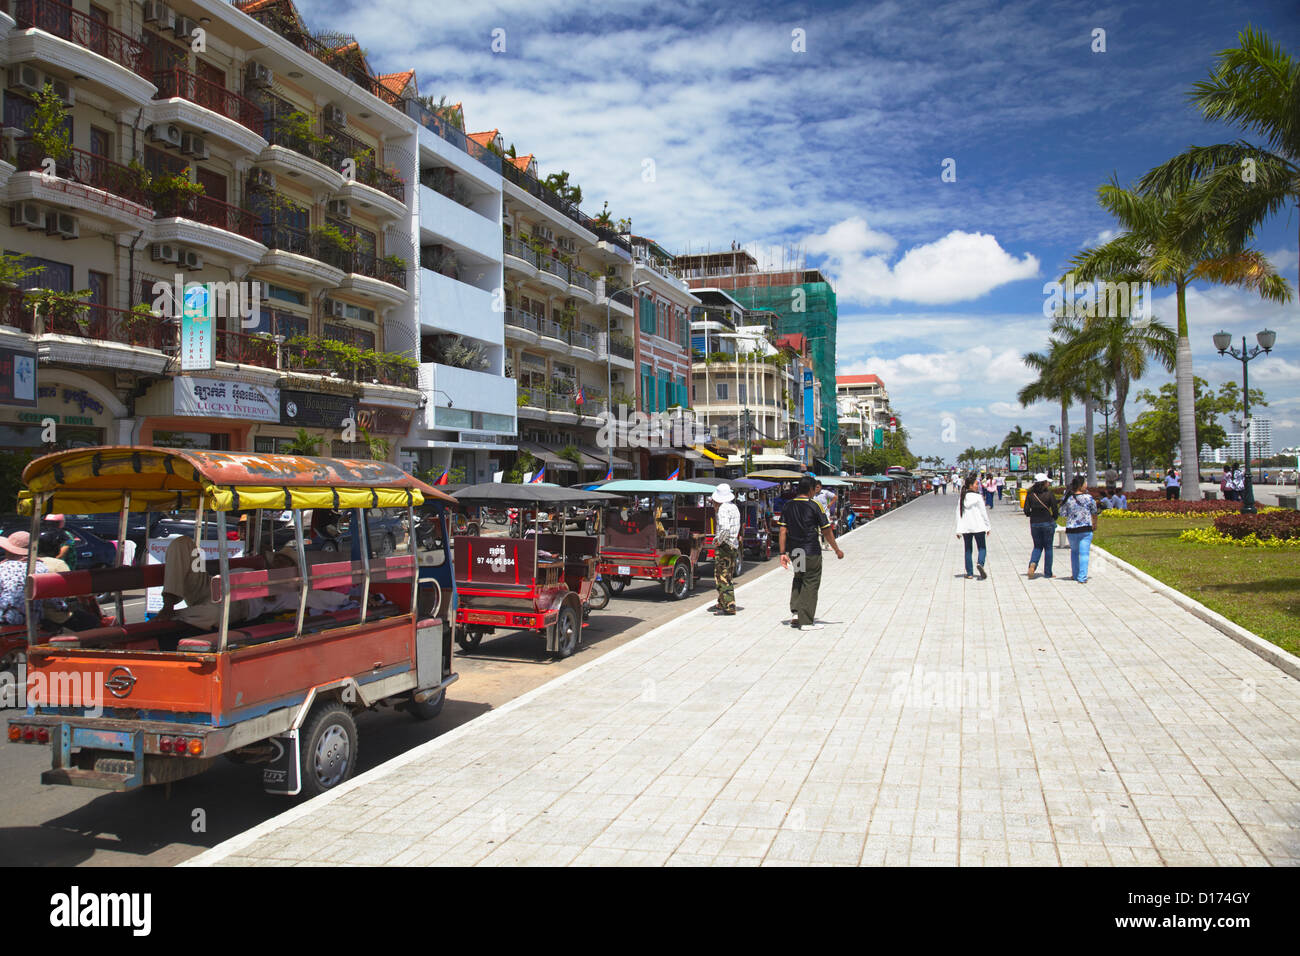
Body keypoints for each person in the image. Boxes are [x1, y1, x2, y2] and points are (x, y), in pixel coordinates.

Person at [778, 475, 843, 631]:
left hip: (796, 550)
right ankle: (806, 621)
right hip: (811, 551)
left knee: (799, 577)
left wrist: (782, 552)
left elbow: (782, 530)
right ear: (811, 489)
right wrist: (836, 549)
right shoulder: (815, 506)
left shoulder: (788, 505)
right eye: (814, 489)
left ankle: (795, 613)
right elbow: (826, 530)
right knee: (811, 582)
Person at [0, 532, 47, 626]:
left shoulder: (3, 567)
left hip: (5, 619)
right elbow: (53, 599)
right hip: (33, 620)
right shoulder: (42, 568)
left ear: (10, 551)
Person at [708, 484, 740, 616]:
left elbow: (725, 528)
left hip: (725, 545)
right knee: (727, 574)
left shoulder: (722, 509)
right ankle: (722, 601)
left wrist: (718, 540)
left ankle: (729, 605)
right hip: (733, 544)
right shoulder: (734, 507)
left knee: (722, 576)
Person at [1063, 475, 1099, 583]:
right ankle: (1082, 577)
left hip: (1071, 529)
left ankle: (1075, 574)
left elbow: (1063, 512)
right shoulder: (1089, 498)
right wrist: (1094, 523)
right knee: (1084, 554)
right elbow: (1094, 511)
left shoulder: (1068, 498)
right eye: (1085, 483)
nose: (1086, 485)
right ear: (1081, 485)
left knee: (1074, 552)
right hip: (1085, 529)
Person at [1022, 473, 1058, 579]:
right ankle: (1048, 573)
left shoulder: (1030, 494)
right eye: (1047, 482)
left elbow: (1026, 510)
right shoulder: (1049, 494)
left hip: (1034, 523)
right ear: (1044, 483)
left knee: (1037, 546)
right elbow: (1055, 509)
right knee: (1048, 548)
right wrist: (1053, 517)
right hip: (1047, 522)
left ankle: (1032, 564)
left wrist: (1031, 515)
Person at [956, 474, 991, 579]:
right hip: (979, 526)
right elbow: (983, 513)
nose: (978, 486)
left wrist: (958, 530)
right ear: (971, 486)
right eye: (976, 484)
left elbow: (958, 513)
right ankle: (980, 563)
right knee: (982, 547)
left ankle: (970, 573)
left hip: (966, 528)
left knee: (968, 549)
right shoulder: (978, 497)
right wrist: (988, 526)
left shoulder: (962, 497)